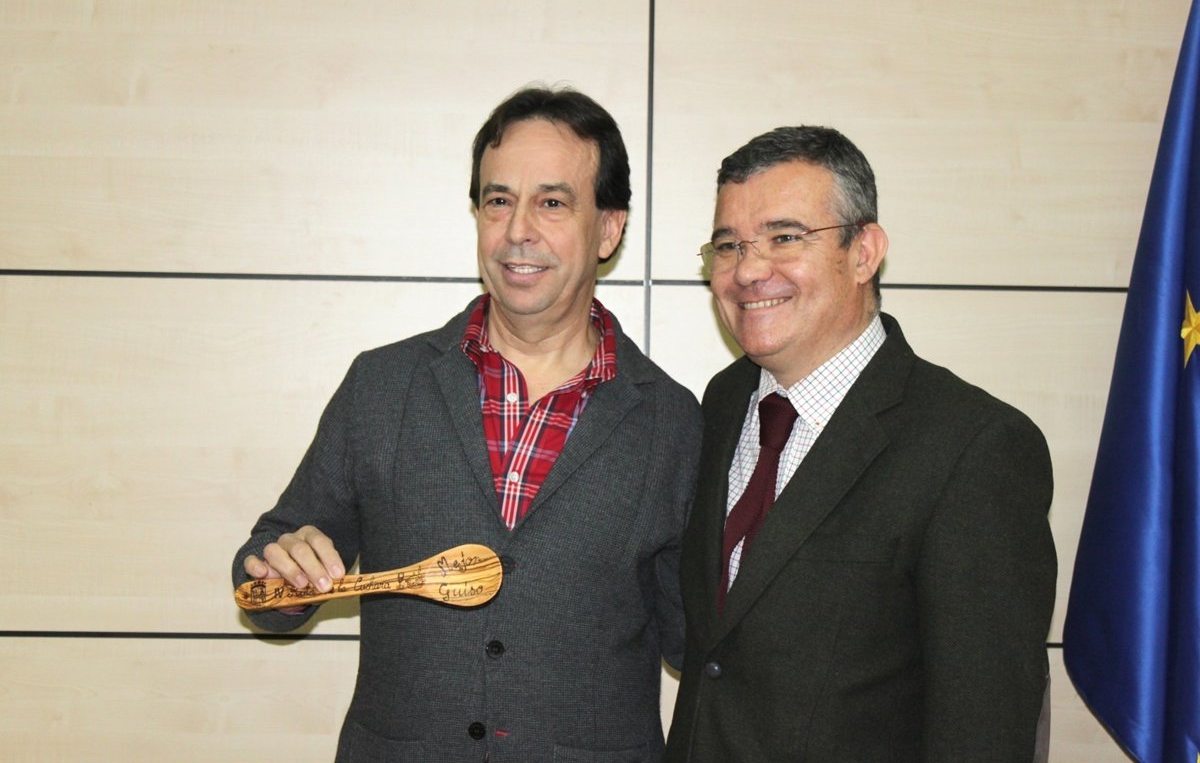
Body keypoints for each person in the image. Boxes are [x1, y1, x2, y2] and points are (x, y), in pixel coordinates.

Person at [233, 86, 702, 763]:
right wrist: (280, 571)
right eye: (498, 200)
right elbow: (267, 570)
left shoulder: (673, 421)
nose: (517, 230)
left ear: (608, 229)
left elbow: (698, 640)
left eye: (552, 203)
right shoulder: (382, 386)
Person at [665, 126, 1056, 762]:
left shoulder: (975, 448)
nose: (749, 270)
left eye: (785, 238)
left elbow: (982, 727)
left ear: (863, 252)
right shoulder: (722, 402)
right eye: (729, 246)